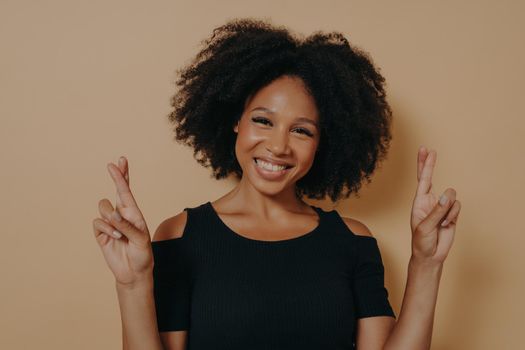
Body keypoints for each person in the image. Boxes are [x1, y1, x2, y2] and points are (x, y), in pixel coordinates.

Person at [92, 18, 461, 350]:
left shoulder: (353, 241)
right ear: (236, 119)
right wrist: (133, 284)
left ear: (322, 143)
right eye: (263, 121)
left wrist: (426, 263)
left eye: (302, 130)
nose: (279, 145)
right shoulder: (180, 236)